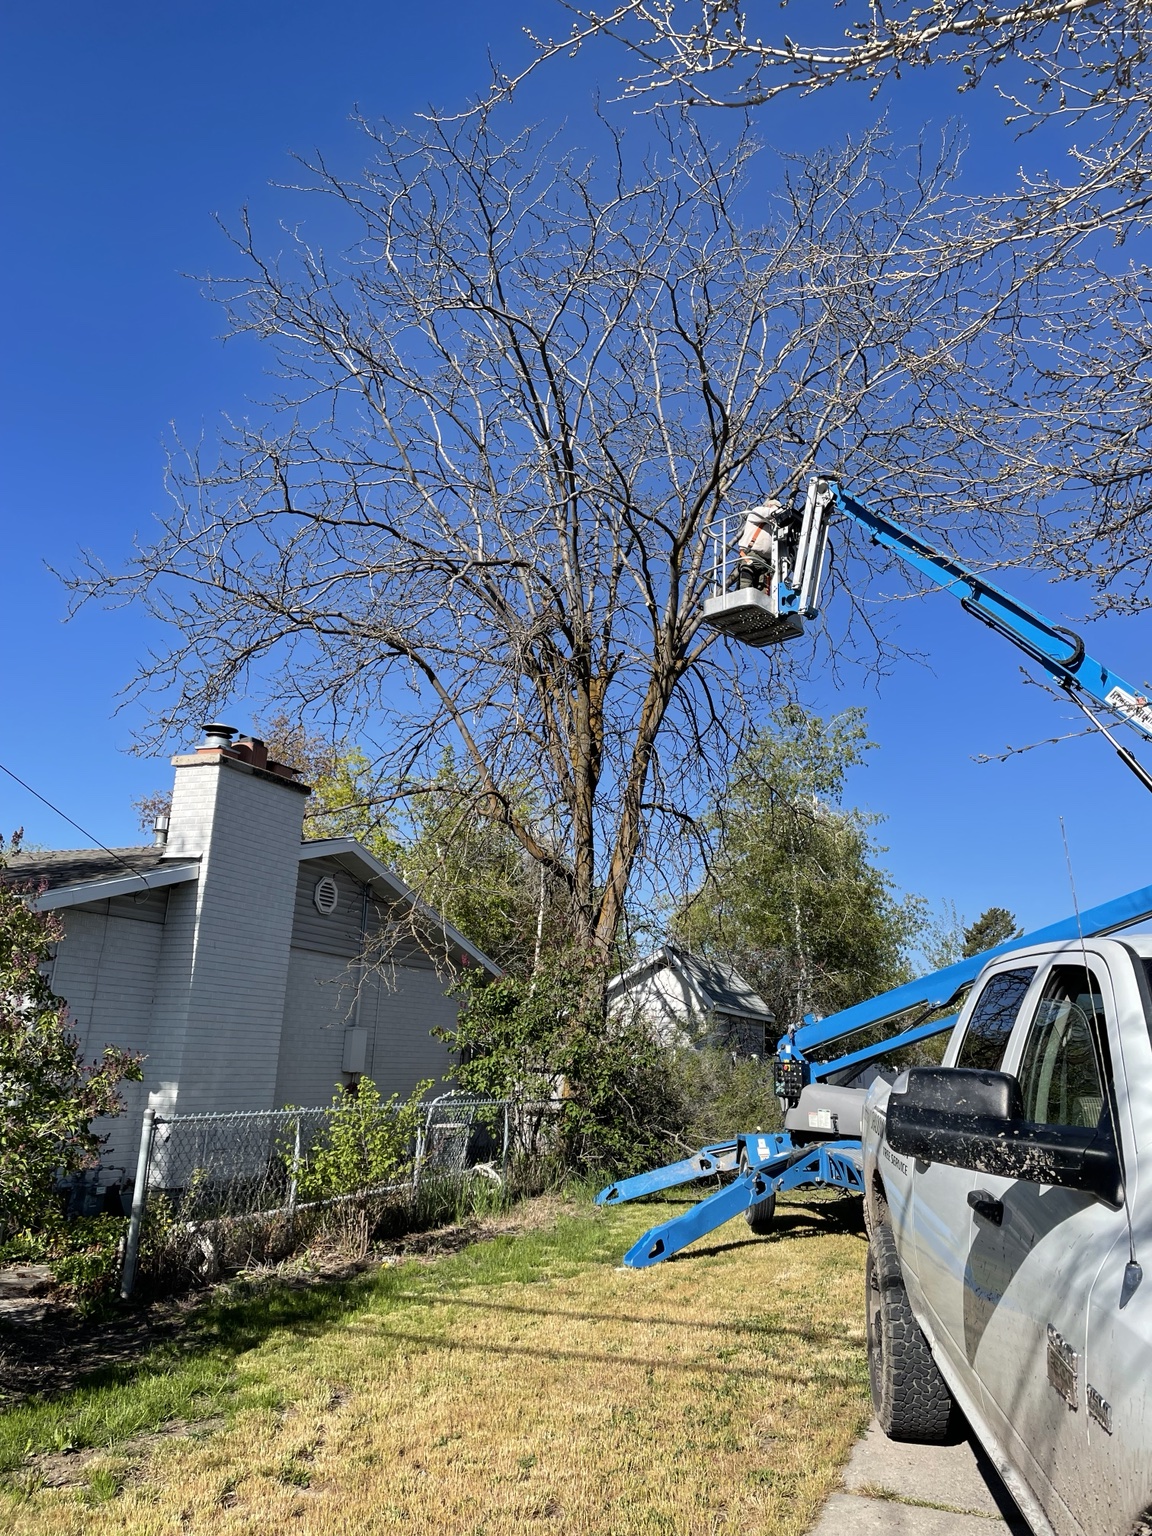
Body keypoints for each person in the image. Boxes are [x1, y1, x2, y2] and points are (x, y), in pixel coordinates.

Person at [736, 501, 784, 591]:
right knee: (746, 588)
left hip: (766, 563)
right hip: (751, 556)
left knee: (763, 595)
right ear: (769, 506)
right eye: (778, 507)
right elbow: (770, 512)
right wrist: (777, 509)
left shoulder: (774, 527)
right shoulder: (757, 513)